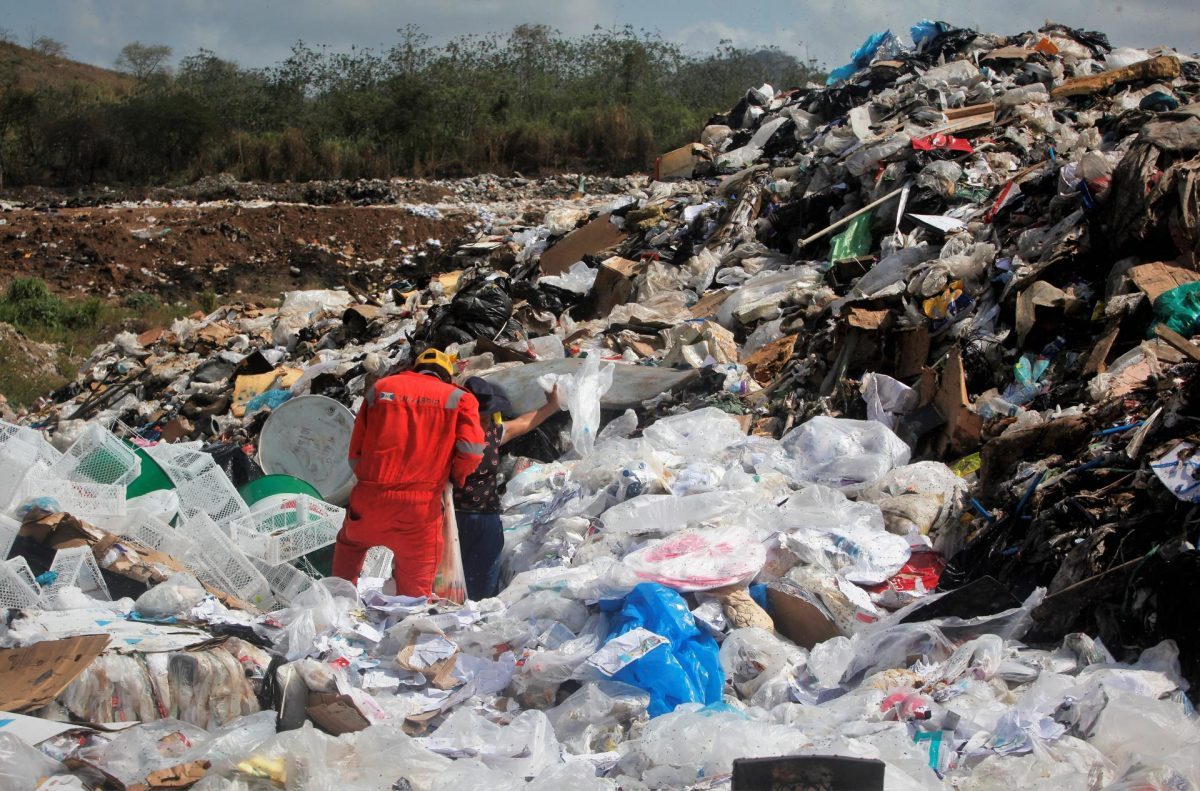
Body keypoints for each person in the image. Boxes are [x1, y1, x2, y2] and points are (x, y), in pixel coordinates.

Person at [332, 348, 485, 597]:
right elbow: (471, 451)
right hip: (420, 508)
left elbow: (355, 453)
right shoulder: (459, 398)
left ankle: (336, 602)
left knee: (350, 544)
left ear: (415, 368)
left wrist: (372, 480)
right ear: (447, 376)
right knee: (414, 592)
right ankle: (406, 623)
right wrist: (456, 477)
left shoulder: (380, 389)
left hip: (370, 496)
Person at [455, 377, 560, 599]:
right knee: (447, 586)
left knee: (482, 591)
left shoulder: (492, 433)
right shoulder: (446, 435)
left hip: (485, 521)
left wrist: (552, 406)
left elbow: (523, 423)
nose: (483, 422)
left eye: (486, 417)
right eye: (478, 416)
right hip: (449, 521)